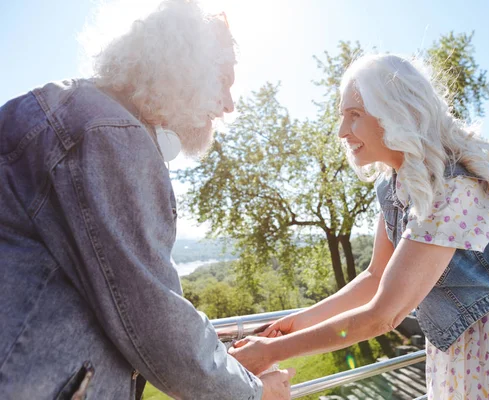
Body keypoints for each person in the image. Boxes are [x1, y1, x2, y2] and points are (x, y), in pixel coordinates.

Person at [229, 54, 489, 399]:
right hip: (461, 342)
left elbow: (384, 314)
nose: (342, 130)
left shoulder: (457, 187)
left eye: (354, 114)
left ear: (396, 113)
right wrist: (295, 323)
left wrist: (272, 351)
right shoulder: (395, 185)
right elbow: (376, 276)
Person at [0, 1, 294, 399]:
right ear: (182, 67)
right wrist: (254, 394)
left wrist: (217, 356)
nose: (230, 104)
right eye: (223, 80)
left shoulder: (85, 116)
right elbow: (154, 318)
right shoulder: (108, 133)